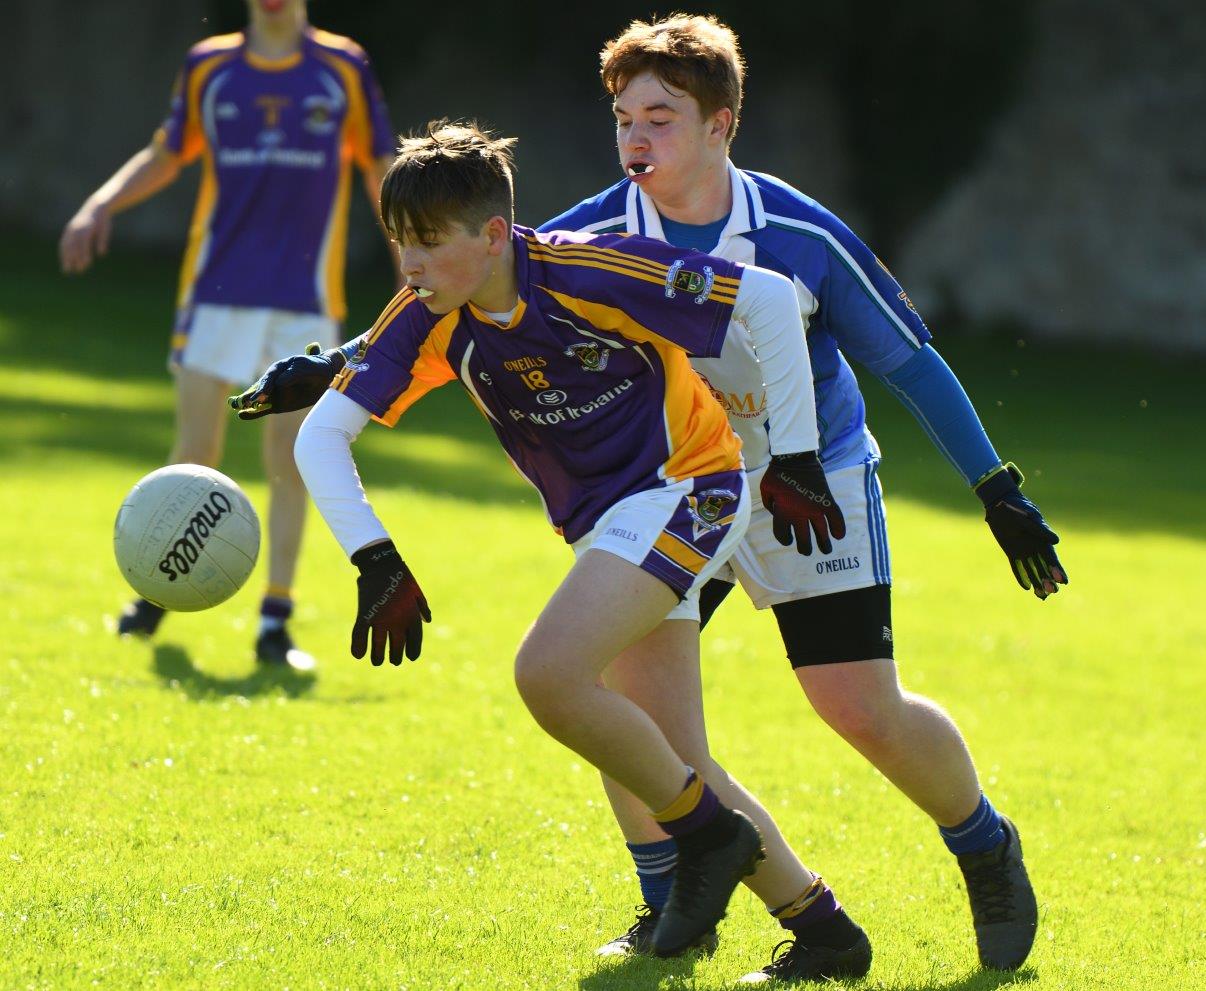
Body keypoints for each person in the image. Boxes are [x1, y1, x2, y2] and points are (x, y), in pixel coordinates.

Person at [251, 118, 876, 978]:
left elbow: (766, 300)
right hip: (610, 522)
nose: (411, 265)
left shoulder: (587, 269)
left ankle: (708, 841)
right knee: (672, 751)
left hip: (694, 487)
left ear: (494, 234)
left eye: (429, 243)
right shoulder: (426, 315)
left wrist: (797, 455)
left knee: (547, 675)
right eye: (400, 242)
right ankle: (826, 932)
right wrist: (375, 558)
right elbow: (321, 437)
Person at [532, 13, 1069, 977]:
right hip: (671, 489)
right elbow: (463, 294)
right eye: (623, 119)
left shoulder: (797, 233)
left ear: (720, 125)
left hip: (809, 485)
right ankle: (673, 905)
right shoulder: (587, 236)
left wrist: (997, 488)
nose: (636, 138)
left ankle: (984, 844)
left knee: (860, 708)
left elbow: (911, 363)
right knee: (632, 712)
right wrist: (342, 368)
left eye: (661, 116)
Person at [59, 0, 396, 669]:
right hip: (215, 294)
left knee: (292, 457)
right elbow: (166, 153)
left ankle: (275, 618)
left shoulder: (342, 68)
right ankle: (158, 589)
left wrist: (412, 258)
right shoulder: (209, 68)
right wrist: (101, 202)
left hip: (304, 300)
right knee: (194, 450)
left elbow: (380, 169)